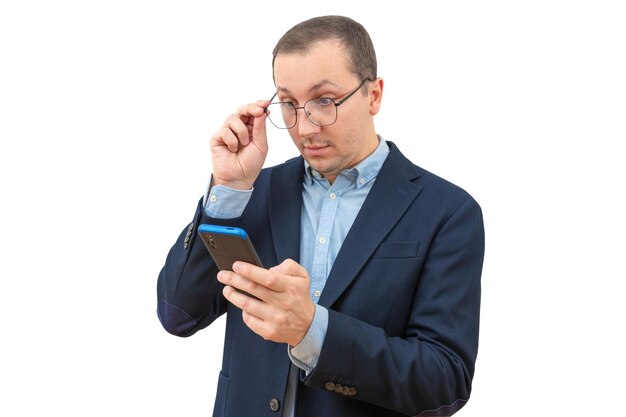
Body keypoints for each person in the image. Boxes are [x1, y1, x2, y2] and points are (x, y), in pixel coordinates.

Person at [157, 15, 485, 417]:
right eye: (289, 104)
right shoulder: (250, 194)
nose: (305, 126)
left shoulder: (447, 212)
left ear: (374, 95)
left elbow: (444, 381)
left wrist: (312, 331)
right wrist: (227, 190)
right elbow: (178, 314)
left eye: (324, 101)